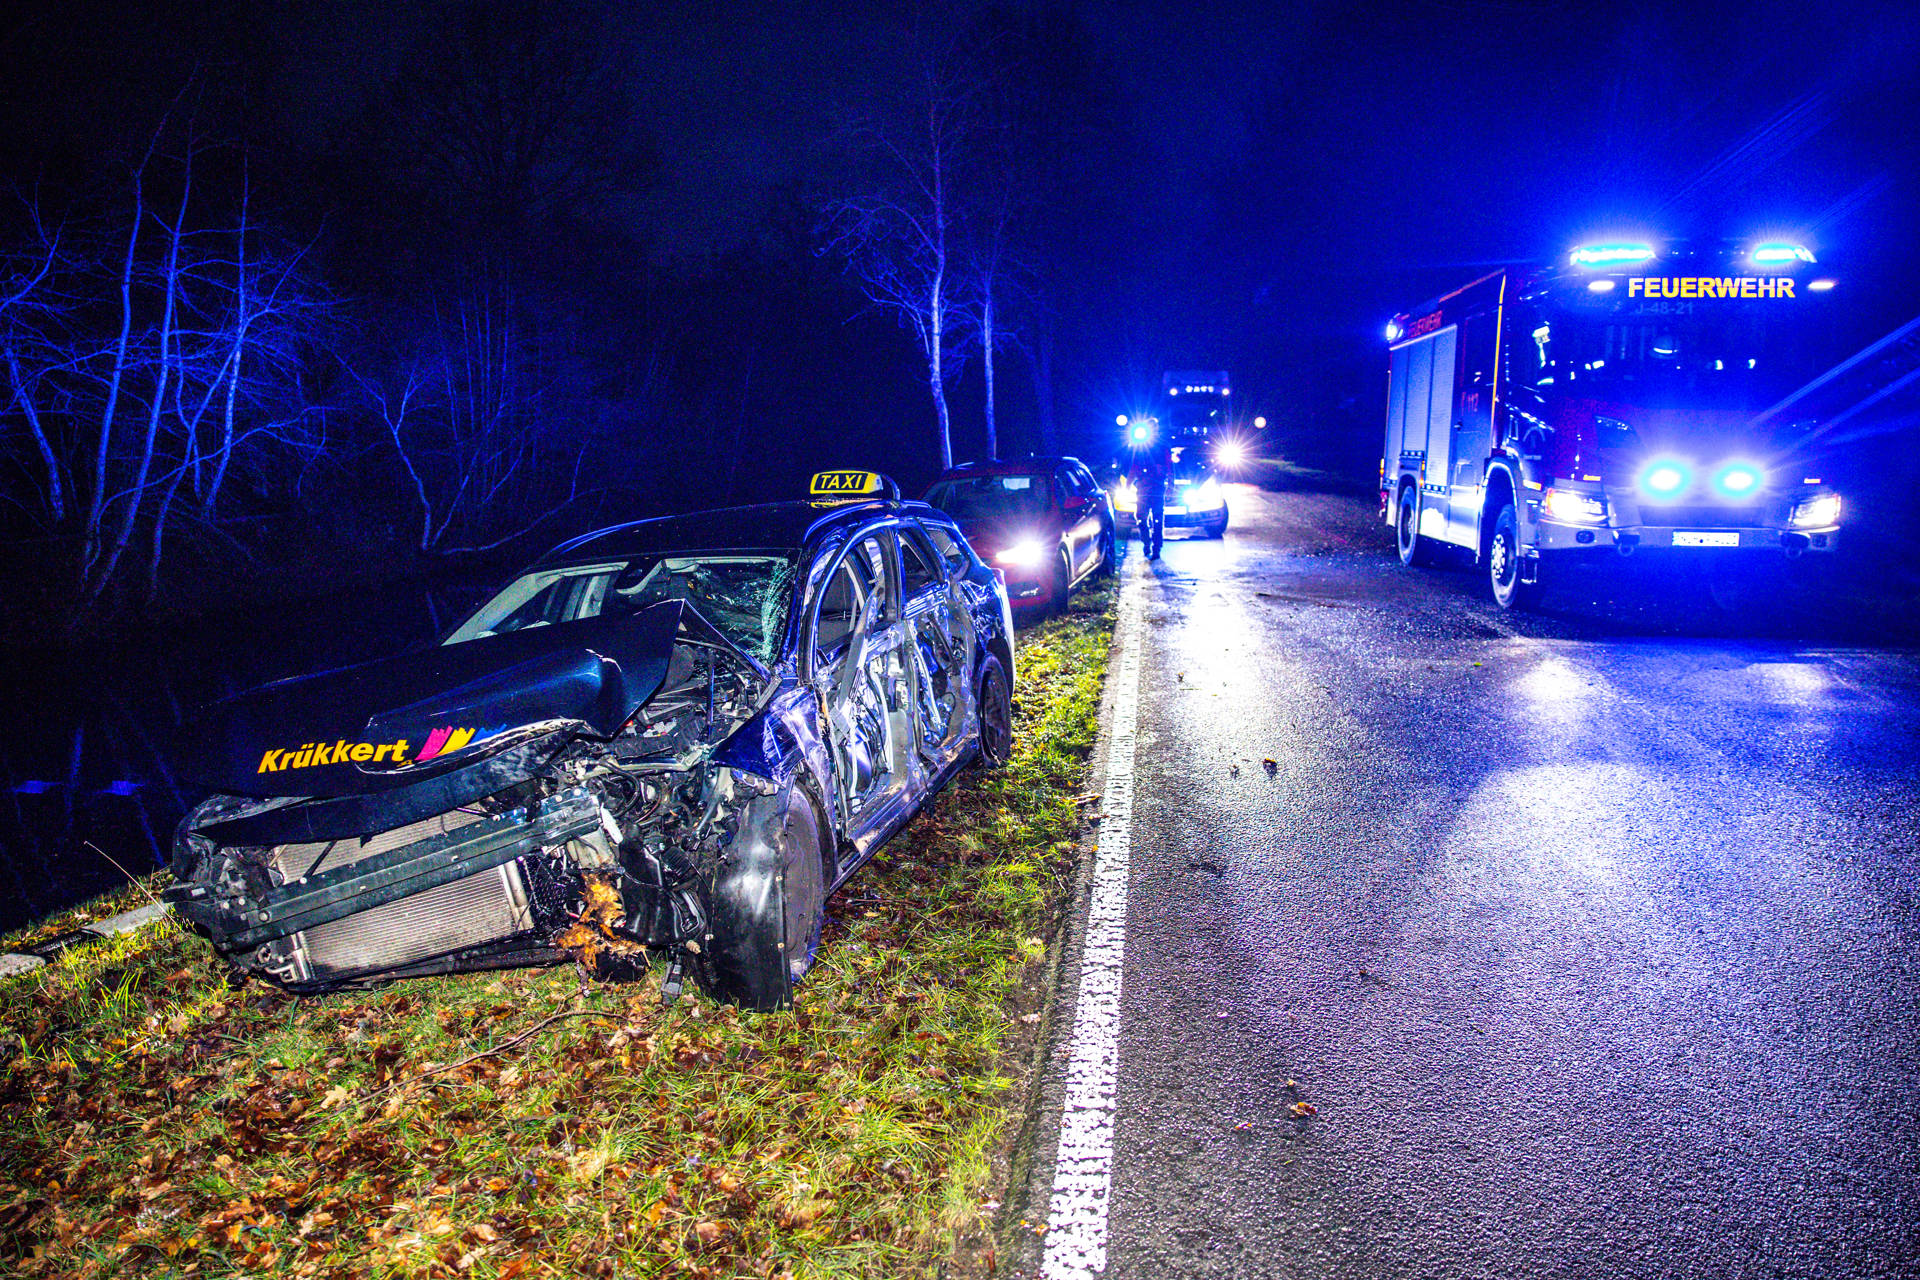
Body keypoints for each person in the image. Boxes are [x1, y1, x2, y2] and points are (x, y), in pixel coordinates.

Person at [1128, 438, 1170, 559]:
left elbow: (1169, 468)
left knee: (1156, 519)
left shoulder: (1162, 447)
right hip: (1145, 489)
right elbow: (1134, 468)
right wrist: (1128, 484)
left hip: (1155, 489)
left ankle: (1156, 547)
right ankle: (1147, 542)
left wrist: (1170, 484)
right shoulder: (1141, 449)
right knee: (1143, 518)